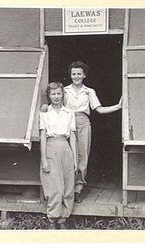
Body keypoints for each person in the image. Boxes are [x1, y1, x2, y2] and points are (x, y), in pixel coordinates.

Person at [42, 61, 122, 203]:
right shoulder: (65, 90)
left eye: (79, 73)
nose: (76, 76)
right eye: (73, 74)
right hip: (66, 123)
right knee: (69, 155)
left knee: (82, 154)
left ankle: (79, 187)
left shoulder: (89, 91)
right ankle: (67, 187)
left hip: (83, 123)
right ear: (70, 75)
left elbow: (99, 109)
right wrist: (44, 107)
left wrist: (118, 106)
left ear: (84, 75)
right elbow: (55, 105)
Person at [39, 82, 77, 230]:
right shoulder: (45, 113)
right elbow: (43, 135)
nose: (56, 97)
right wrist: (44, 159)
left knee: (68, 185)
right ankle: (52, 219)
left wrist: (74, 158)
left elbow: (72, 136)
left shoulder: (69, 113)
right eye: (53, 94)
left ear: (63, 95)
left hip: (65, 147)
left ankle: (63, 219)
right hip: (51, 147)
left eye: (59, 93)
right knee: (54, 186)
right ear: (49, 96)